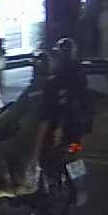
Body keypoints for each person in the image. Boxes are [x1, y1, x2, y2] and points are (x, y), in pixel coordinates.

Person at [0, 52, 50, 199]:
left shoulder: (33, 90)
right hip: (51, 134)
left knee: (1, 149)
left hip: (32, 134)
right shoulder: (53, 86)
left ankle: (9, 186)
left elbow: (14, 113)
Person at [31, 37, 91, 179]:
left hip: (60, 129)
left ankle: (50, 184)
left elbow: (47, 112)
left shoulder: (54, 80)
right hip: (78, 128)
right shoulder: (79, 74)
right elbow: (85, 100)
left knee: (44, 156)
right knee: (73, 153)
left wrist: (37, 147)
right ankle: (77, 180)